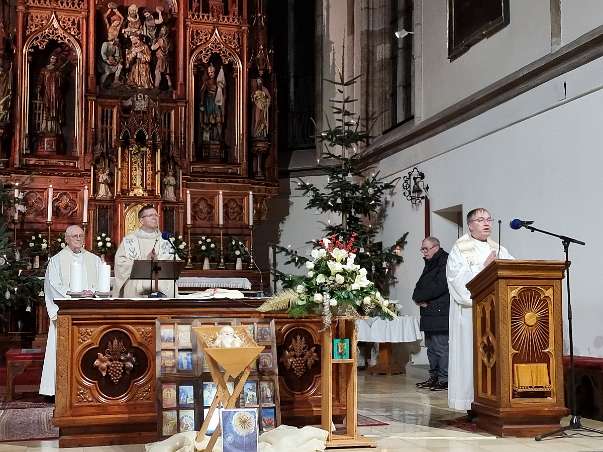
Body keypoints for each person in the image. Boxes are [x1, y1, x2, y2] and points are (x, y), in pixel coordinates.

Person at [446, 208, 513, 413]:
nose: (487, 223)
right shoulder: (460, 248)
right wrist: (484, 267)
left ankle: (494, 401)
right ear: (470, 225)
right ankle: (470, 404)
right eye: (480, 219)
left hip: (495, 314)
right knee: (472, 357)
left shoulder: (498, 248)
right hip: (470, 315)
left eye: (489, 219)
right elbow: (457, 281)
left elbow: (513, 270)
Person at [40, 225, 102, 398]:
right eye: (74, 236)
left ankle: (88, 387)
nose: (78, 239)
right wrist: (73, 295)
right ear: (66, 239)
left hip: (89, 312)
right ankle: (57, 390)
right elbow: (53, 286)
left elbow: (101, 284)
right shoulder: (56, 261)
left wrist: (92, 292)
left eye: (81, 236)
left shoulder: (94, 260)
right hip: (67, 312)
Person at [113, 204, 178, 297]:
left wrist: (158, 261)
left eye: (156, 215)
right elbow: (121, 264)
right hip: (136, 282)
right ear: (141, 220)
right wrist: (144, 261)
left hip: (161, 281)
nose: (155, 218)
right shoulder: (130, 240)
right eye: (150, 215)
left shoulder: (165, 240)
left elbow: (174, 264)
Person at [412, 236, 450, 391]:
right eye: (422, 249)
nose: (424, 252)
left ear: (436, 247)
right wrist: (416, 298)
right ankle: (433, 377)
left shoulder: (445, 261)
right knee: (431, 348)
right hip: (429, 312)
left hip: (440, 311)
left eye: (426, 249)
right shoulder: (430, 262)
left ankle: (444, 379)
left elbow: (440, 285)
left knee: (441, 348)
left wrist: (420, 297)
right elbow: (421, 284)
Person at [37, 55, 65, 134]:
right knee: (47, 107)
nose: (53, 60)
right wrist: (39, 87)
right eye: (52, 58)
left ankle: (54, 128)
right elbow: (40, 81)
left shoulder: (58, 70)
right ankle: (46, 127)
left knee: (55, 108)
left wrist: (60, 77)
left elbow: (61, 83)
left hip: (55, 93)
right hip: (47, 91)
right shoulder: (44, 70)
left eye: (55, 59)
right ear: (49, 59)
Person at [199, 64, 226, 142]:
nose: (211, 74)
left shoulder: (217, 82)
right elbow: (202, 93)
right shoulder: (206, 82)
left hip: (216, 102)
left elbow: (222, 93)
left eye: (212, 72)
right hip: (208, 102)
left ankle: (219, 137)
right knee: (208, 121)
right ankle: (209, 138)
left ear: (215, 72)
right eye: (209, 73)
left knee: (218, 121)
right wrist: (201, 103)